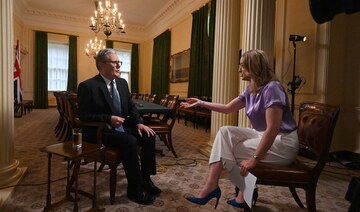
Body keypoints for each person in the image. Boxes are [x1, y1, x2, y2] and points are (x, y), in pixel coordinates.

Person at [181, 49, 298, 209]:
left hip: (282, 142)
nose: (239, 69)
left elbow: (273, 128)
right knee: (225, 132)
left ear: (253, 66)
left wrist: (255, 159)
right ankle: (218, 185)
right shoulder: (251, 89)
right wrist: (201, 103)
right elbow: (228, 108)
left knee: (229, 149)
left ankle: (239, 189)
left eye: (242, 65)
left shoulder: (272, 88)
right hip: (262, 134)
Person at [77, 48, 161, 205]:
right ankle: (134, 189)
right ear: (101, 65)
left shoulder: (122, 83)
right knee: (129, 141)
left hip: (122, 127)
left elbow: (131, 107)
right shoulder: (87, 86)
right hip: (101, 132)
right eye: (114, 62)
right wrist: (108, 118)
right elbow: (83, 116)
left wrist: (138, 123)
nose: (119, 66)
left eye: (119, 62)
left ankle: (146, 180)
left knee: (149, 135)